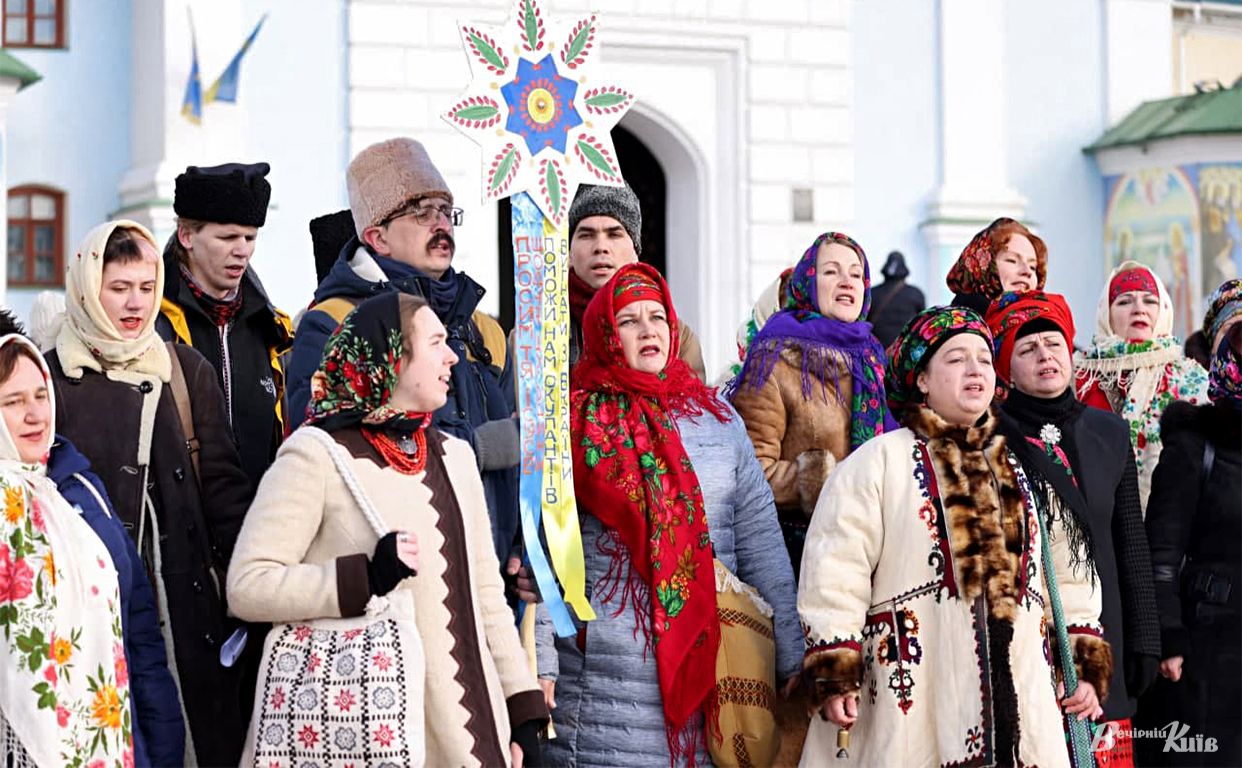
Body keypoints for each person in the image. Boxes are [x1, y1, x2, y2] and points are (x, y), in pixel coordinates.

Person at [228, 292, 548, 767]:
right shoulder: (315, 455)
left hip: (471, 739)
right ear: (393, 357)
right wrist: (362, 579)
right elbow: (248, 586)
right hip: (362, 736)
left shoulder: (455, 456)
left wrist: (523, 709)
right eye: (435, 343)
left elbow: (486, 599)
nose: (452, 357)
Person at [798, 305, 1110, 767]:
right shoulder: (877, 462)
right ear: (922, 380)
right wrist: (835, 668)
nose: (975, 369)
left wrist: (1082, 662)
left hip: (1022, 697)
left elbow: (1069, 575)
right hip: (912, 700)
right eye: (957, 358)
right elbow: (835, 570)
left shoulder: (1026, 466)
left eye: (984, 359)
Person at [536, 263, 801, 766]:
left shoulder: (718, 419)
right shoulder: (573, 423)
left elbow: (759, 538)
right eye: (628, 320)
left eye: (657, 317)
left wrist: (790, 652)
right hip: (605, 678)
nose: (648, 330)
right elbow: (547, 550)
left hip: (712, 659)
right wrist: (541, 663)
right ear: (605, 333)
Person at [46, 219, 255, 766]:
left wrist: (249, 590)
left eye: (145, 286)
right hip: (94, 612)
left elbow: (225, 495)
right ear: (88, 288)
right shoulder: (51, 381)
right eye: (119, 288)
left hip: (186, 608)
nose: (136, 303)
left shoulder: (184, 371)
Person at [285, 138, 519, 564]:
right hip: (390, 567)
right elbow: (328, 450)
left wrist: (523, 549)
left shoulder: (483, 331)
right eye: (422, 212)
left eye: (446, 211)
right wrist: (472, 448)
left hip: (488, 566)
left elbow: (518, 460)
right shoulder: (335, 322)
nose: (441, 224)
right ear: (377, 237)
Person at [986, 291, 1160, 765]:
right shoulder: (993, 438)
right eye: (1027, 349)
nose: (1045, 356)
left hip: (1109, 635)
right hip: (1033, 640)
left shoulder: (1109, 431)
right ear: (1006, 370)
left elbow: (1131, 542)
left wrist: (1145, 637)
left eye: (1054, 344)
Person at [0, 332, 186, 768]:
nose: (34, 414)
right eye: (12, 402)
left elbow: (136, 622)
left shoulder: (76, 486)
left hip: (113, 741)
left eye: (41, 396)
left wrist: (162, 744)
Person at [728, 232, 898, 578]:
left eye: (855, 273)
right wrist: (829, 481)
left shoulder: (872, 357)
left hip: (872, 550)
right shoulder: (773, 359)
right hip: (801, 555)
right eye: (831, 271)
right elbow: (751, 472)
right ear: (808, 282)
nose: (846, 281)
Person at [1141, 279, 1241, 767]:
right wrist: (1169, 638)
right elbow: (1161, 552)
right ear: (1222, 352)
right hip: (1208, 649)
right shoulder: (1194, 441)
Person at [156, 162, 294, 488]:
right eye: (228, 236)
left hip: (259, 511)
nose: (242, 250)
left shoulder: (273, 329)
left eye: (250, 237)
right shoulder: (152, 324)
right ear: (187, 236)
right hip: (180, 515)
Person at [1074, 261, 1209, 511]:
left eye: (1150, 301)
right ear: (1106, 314)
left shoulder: (1191, 378)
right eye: (1124, 302)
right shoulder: (1080, 377)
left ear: (1164, 310)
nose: (1139, 309)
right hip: (1095, 518)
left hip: (1173, 519)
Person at [567, 183, 706, 379]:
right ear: (569, 253)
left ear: (635, 252)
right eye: (586, 235)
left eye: (614, 234)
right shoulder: (539, 330)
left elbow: (693, 395)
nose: (600, 247)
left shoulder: (675, 337)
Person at [946, 217, 1048, 315]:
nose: (1027, 271)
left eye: (1033, 267)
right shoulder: (957, 322)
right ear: (982, 267)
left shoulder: (1046, 318)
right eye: (1012, 260)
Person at [867, 250, 925, 348]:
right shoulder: (916, 294)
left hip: (877, 350)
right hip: (904, 350)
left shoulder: (872, 293)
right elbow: (923, 324)